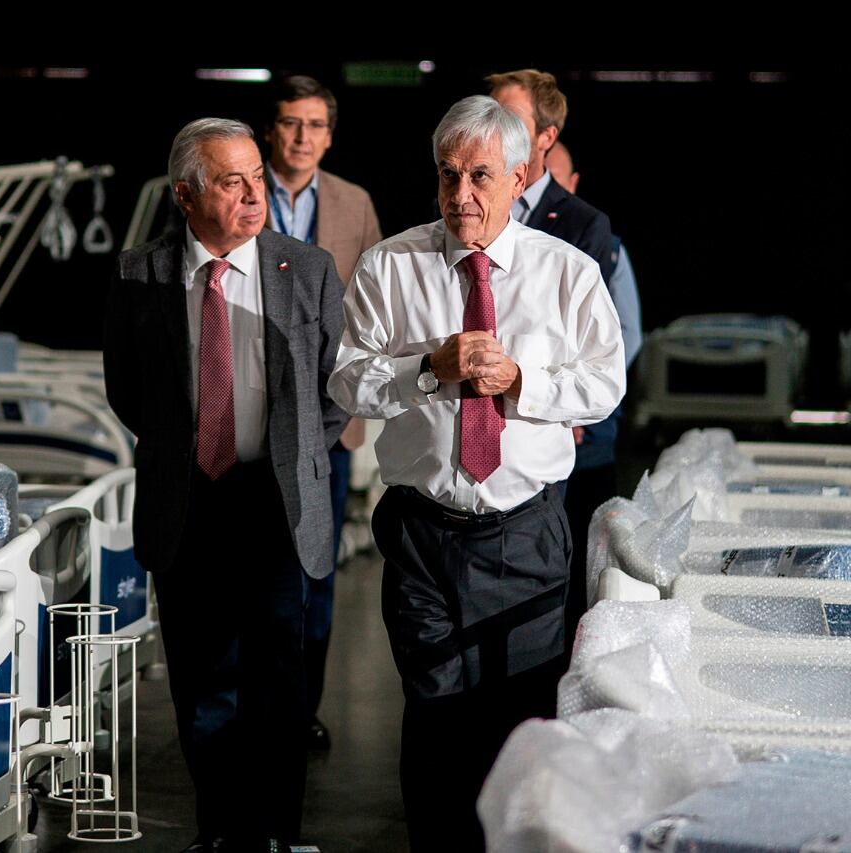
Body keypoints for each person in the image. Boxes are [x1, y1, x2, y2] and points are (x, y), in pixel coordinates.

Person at [327, 95, 625, 850]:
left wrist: (523, 379)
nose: (461, 195)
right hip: (423, 530)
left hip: (524, 532)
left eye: (481, 176)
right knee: (433, 713)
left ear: (521, 175)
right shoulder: (390, 266)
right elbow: (346, 382)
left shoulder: (568, 271)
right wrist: (426, 371)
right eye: (448, 175)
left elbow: (605, 382)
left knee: (516, 721)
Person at [103, 117, 347, 852]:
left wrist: (293, 452)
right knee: (201, 681)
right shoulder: (137, 274)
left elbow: (334, 390)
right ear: (185, 193)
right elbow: (127, 391)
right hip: (188, 501)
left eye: (255, 177)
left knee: (276, 679)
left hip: (272, 500)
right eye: (230, 181)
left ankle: (274, 832)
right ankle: (218, 828)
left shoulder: (306, 269)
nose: (253, 194)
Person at [262, 73, 382, 750]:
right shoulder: (240, 192)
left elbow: (371, 311)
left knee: (315, 573)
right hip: (247, 421)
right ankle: (254, 708)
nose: (302, 138)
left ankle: (301, 708)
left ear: (330, 136)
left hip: (327, 426)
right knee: (250, 575)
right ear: (270, 129)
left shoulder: (354, 204)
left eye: (314, 126)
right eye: (289, 123)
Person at [545, 139, 643, 635]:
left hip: (590, 431)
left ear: (574, 184)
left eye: (557, 178)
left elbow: (626, 338)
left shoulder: (603, 243)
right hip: (537, 430)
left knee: (585, 553)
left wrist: (579, 406)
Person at [487, 68, 615, 283]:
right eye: (488, 116)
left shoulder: (585, 224)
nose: (493, 130)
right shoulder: (452, 206)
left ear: (546, 137)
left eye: (510, 120)